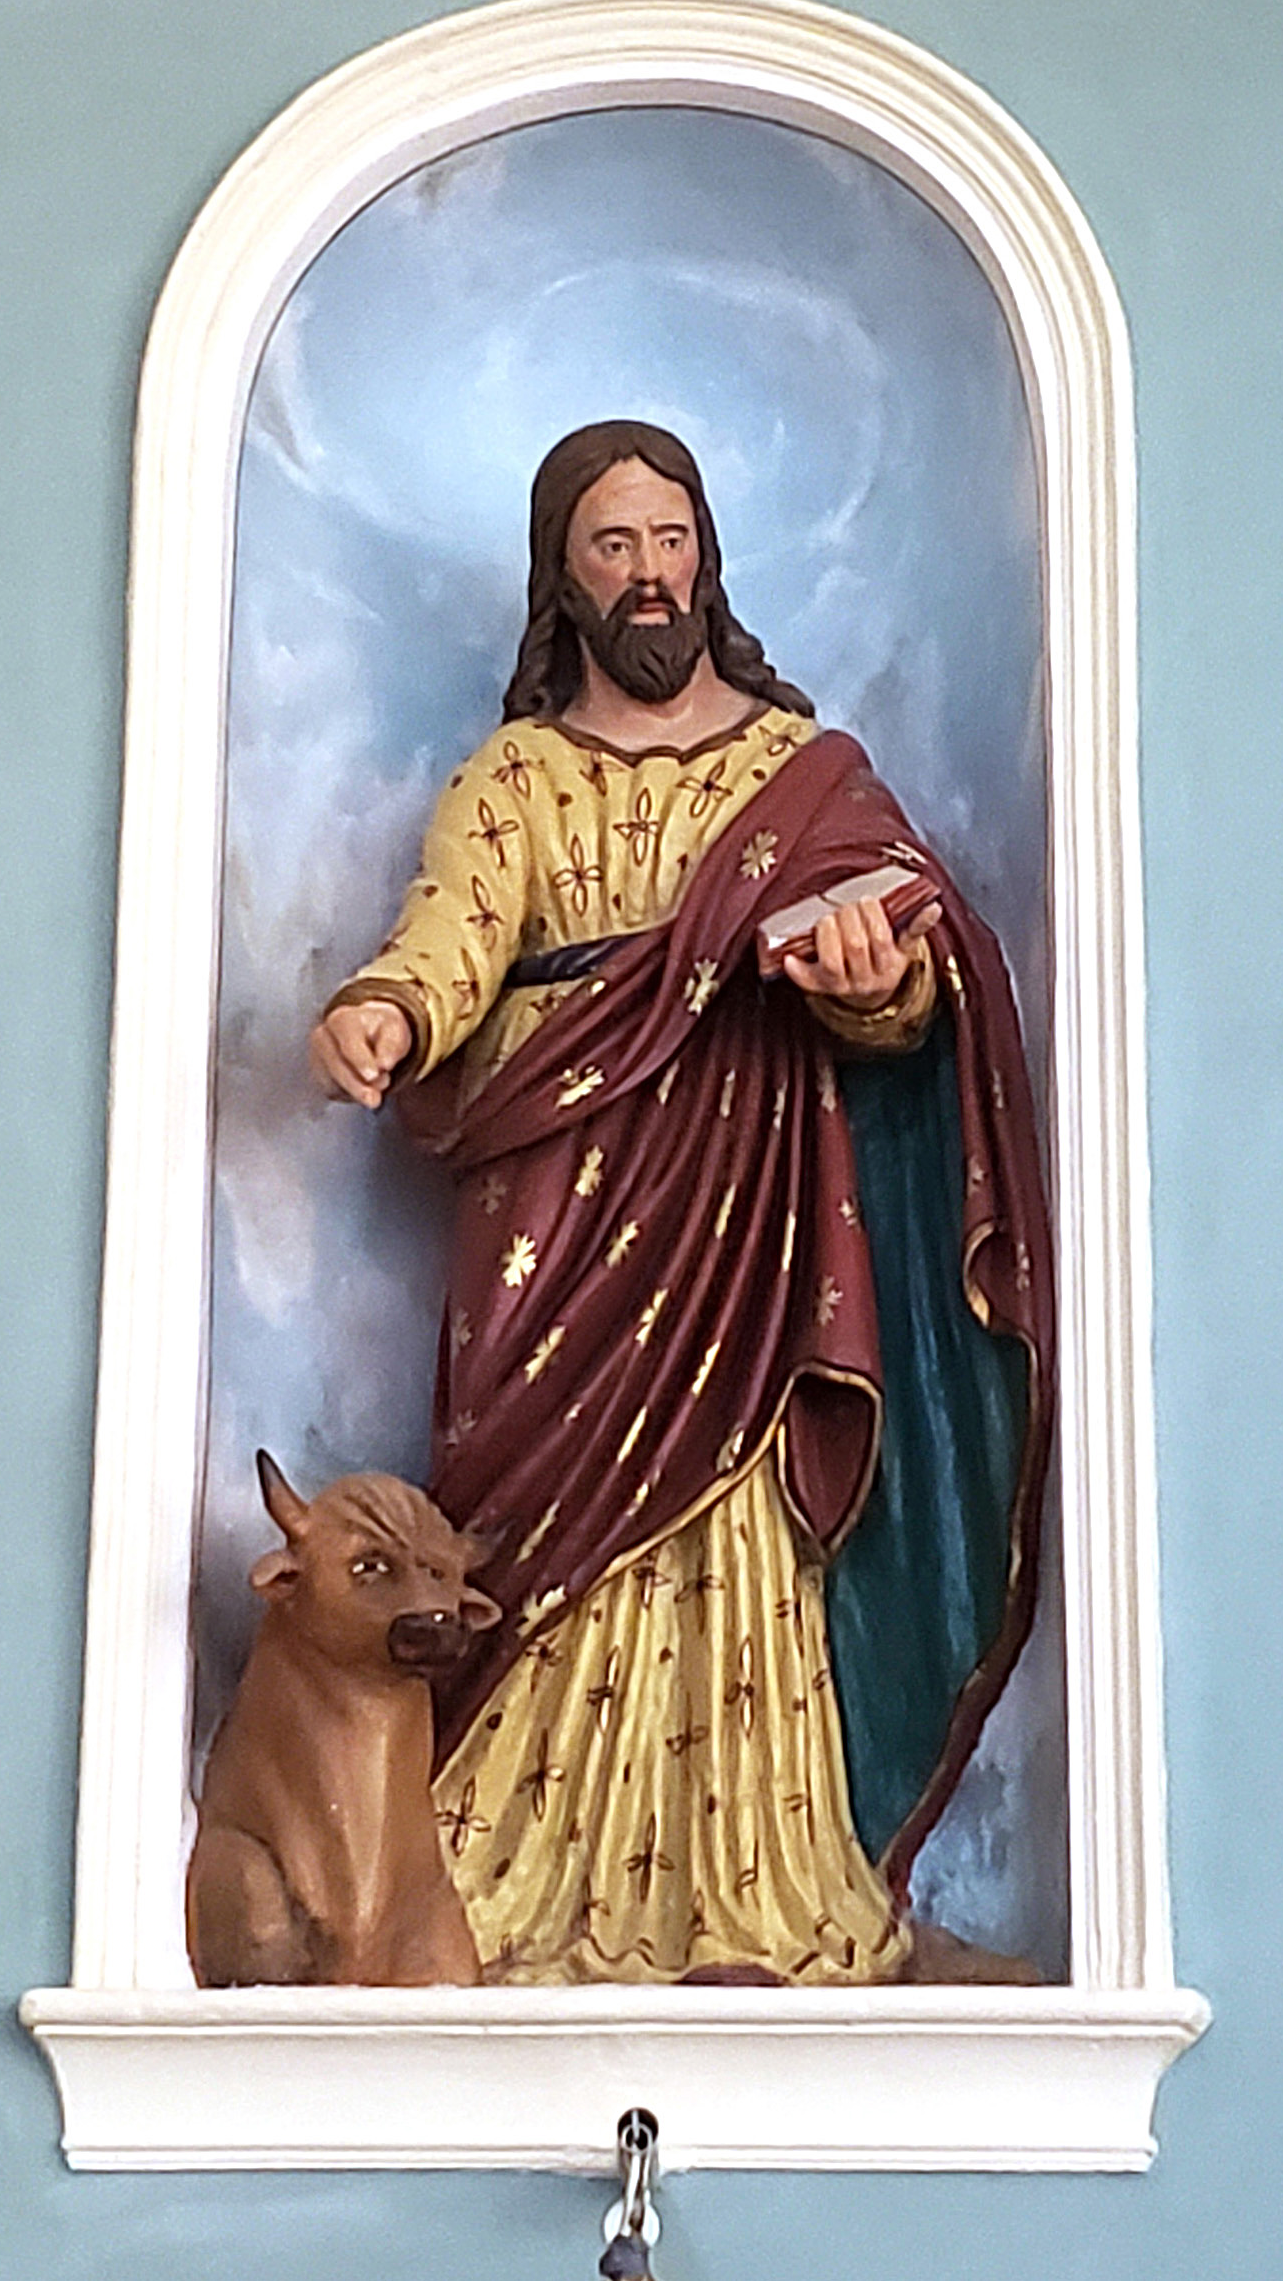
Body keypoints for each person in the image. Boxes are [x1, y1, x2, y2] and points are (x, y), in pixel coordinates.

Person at [311, 420, 1054, 1985]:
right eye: (613, 545)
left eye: (670, 540)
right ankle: (493, 1885)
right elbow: (453, 936)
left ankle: (750, 1888)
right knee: (538, 1526)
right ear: (564, 576)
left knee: (734, 1508)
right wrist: (389, 1011)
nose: (648, 574)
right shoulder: (514, 779)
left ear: (706, 558)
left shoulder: (801, 774)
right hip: (555, 1205)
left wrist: (871, 984)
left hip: (749, 1202)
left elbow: (909, 999)